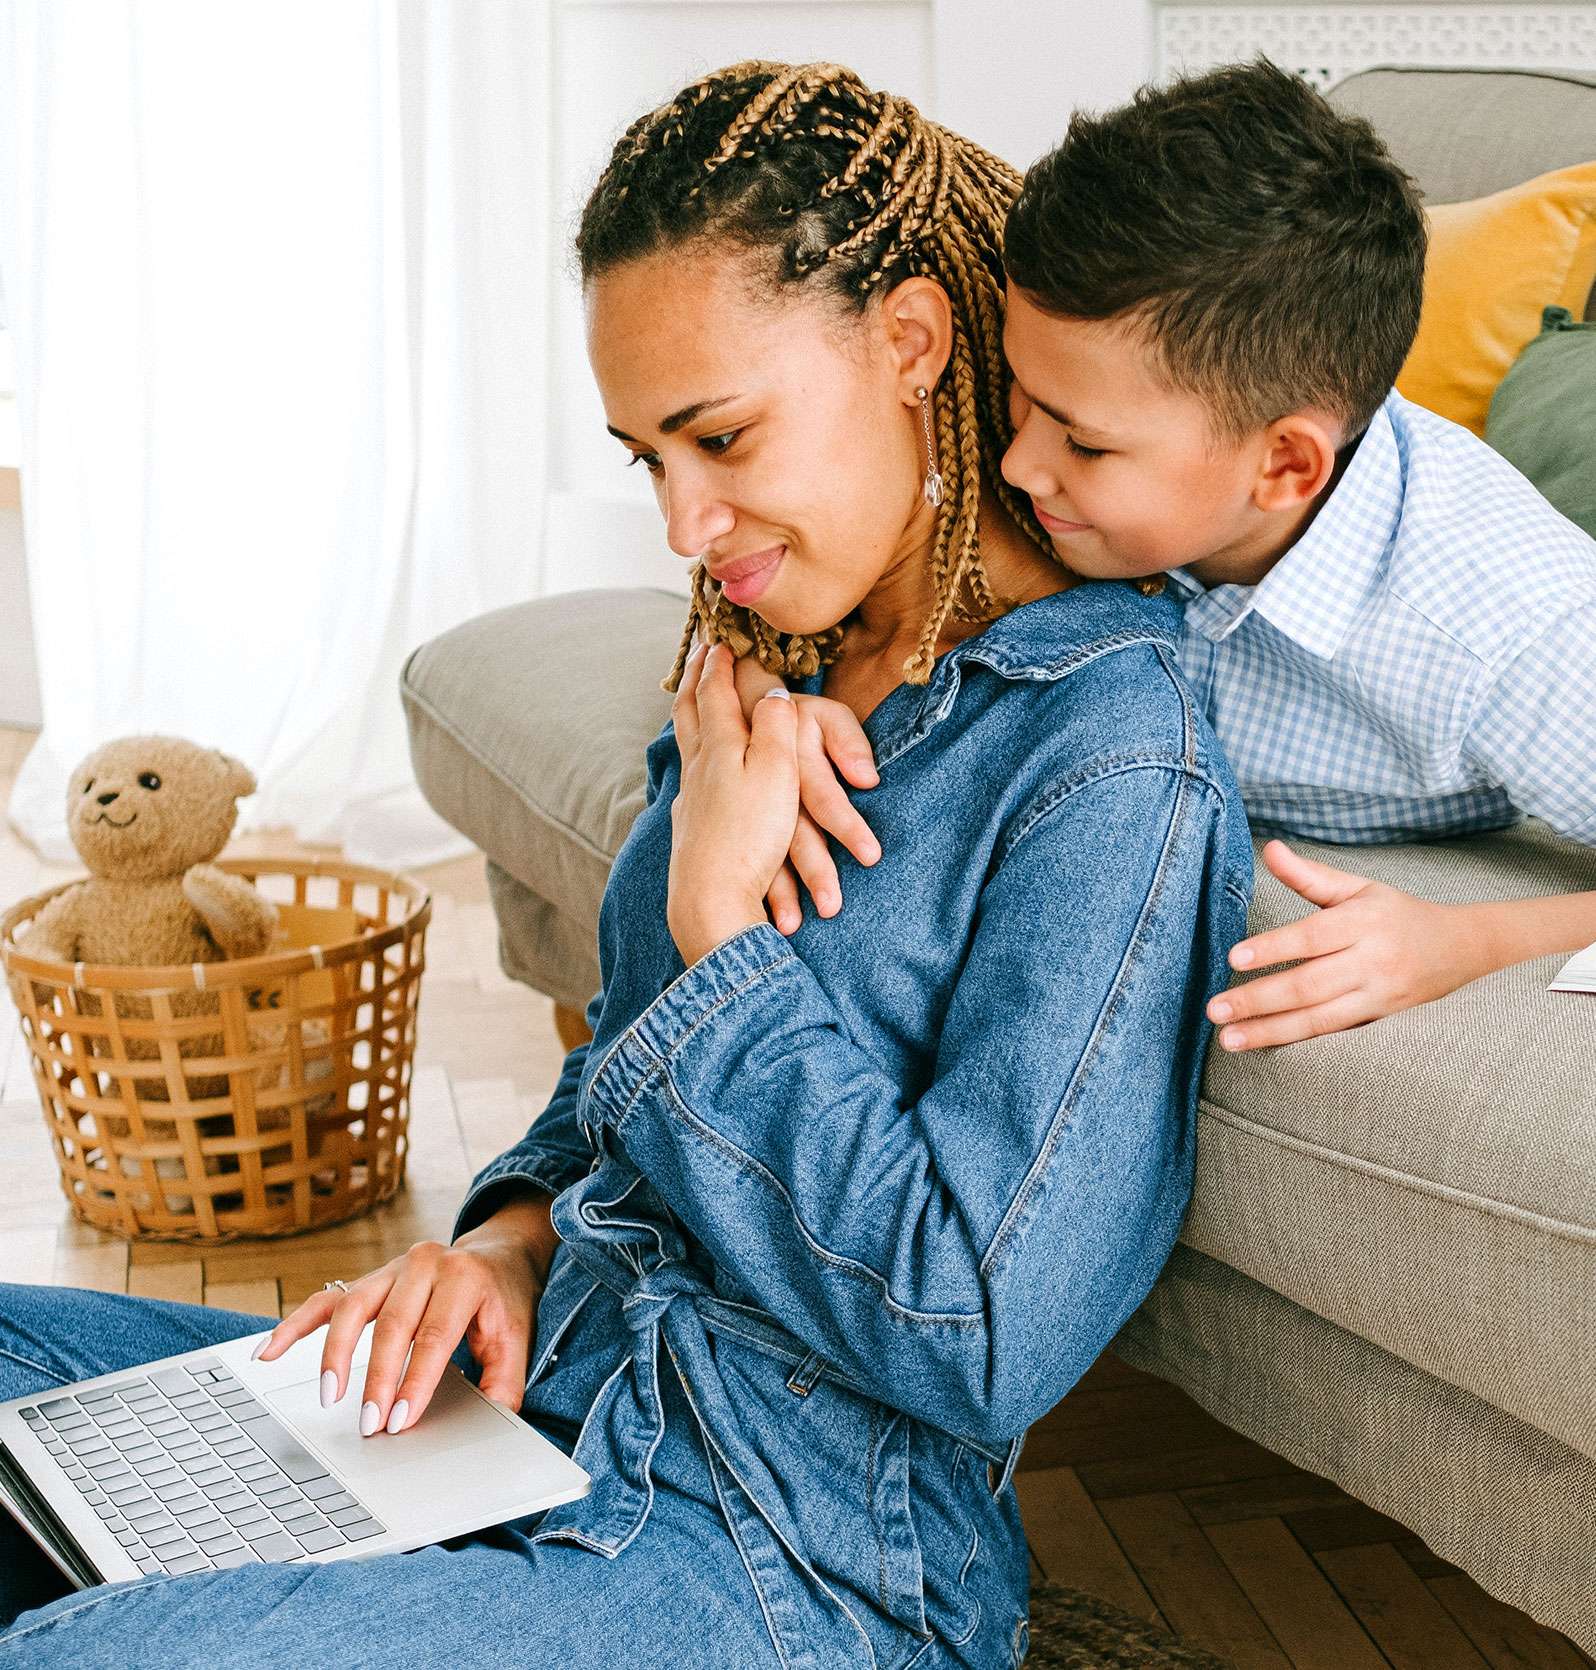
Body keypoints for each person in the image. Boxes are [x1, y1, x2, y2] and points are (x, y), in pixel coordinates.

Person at [0, 61, 1251, 1666]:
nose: (682, 522)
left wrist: (722, 925)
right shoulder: (767, 663)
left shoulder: (1107, 750)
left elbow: (982, 1325)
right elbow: (613, 1085)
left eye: (719, 436)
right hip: (525, 1405)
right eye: (647, 455)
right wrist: (504, 1243)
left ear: (915, 343)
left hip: (786, 1542)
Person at [775, 59, 1596, 1051]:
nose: (1019, 461)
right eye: (1020, 398)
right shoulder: (1085, 399)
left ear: (1284, 465)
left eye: (1081, 441)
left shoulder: (1504, 622)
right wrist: (769, 683)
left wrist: (1467, 942)